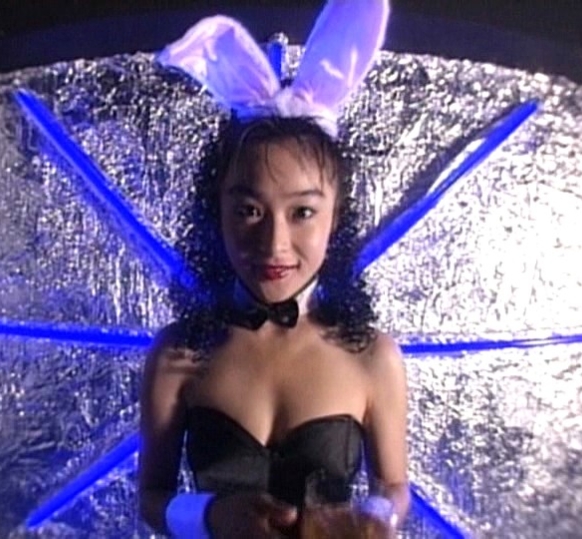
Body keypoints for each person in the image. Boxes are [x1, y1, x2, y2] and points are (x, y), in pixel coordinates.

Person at [139, 1, 409, 537]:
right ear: (216, 211)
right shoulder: (177, 355)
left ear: (336, 218)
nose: (274, 243)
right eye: (248, 210)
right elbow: (150, 497)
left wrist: (372, 521)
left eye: (302, 212)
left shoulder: (373, 357)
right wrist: (211, 515)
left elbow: (394, 485)